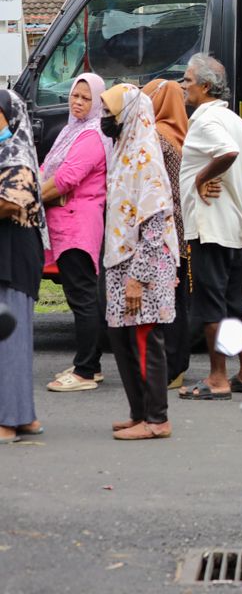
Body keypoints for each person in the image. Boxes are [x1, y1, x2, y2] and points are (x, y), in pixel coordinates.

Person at [99, 84, 179, 440]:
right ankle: (139, 412)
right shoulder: (123, 149)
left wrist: (138, 277)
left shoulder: (146, 155)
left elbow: (155, 221)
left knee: (146, 337)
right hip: (120, 260)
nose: (105, 118)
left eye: (110, 112)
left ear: (129, 114)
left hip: (143, 265)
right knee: (122, 338)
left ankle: (157, 419)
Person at [178, 54, 242, 400]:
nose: (183, 85)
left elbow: (227, 153)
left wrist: (199, 179)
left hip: (210, 228)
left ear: (206, 86)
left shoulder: (205, 120)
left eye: (188, 80)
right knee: (231, 306)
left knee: (211, 307)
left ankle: (217, 378)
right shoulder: (234, 120)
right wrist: (240, 212)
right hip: (235, 228)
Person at [42, 73, 110, 393]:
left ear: (97, 103)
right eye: (75, 96)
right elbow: (48, 169)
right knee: (79, 296)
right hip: (68, 223)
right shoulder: (72, 130)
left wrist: (28, 197)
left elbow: (66, 178)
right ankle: (89, 364)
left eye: (86, 98)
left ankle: (85, 371)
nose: (78, 102)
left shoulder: (92, 135)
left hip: (77, 225)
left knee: (82, 298)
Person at [0, 91, 47, 443]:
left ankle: (8, 420)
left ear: (11, 118)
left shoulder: (17, 155)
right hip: (8, 253)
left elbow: (12, 202)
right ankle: (25, 415)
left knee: (10, 339)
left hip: (14, 256)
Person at [143, 79, 191, 388]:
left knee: (165, 300)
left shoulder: (158, 137)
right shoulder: (182, 133)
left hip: (163, 229)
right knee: (179, 299)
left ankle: (171, 367)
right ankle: (178, 365)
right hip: (182, 229)